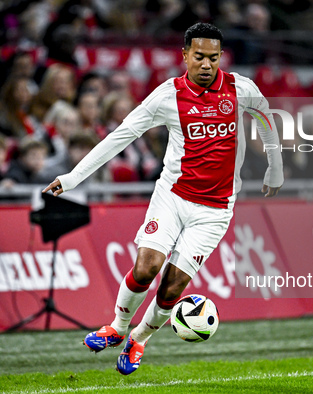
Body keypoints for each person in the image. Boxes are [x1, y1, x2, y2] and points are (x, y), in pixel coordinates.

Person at [42, 23, 283, 376]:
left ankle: (139, 338)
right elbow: (121, 135)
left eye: (213, 58)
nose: (206, 64)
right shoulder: (167, 96)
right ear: (185, 55)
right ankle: (117, 327)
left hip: (215, 209)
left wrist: (275, 167)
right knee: (147, 266)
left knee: (173, 286)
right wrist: (73, 177)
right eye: (199, 56)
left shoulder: (240, 89)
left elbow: (265, 119)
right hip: (172, 197)